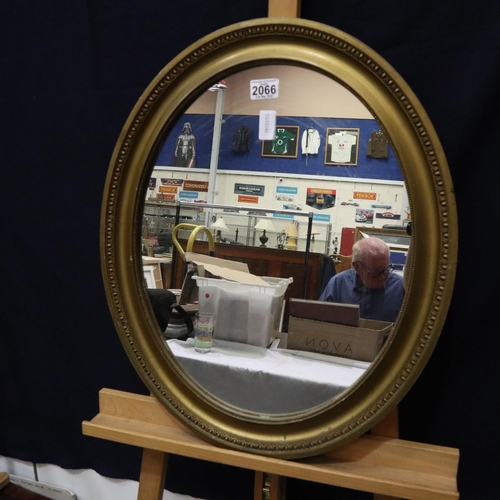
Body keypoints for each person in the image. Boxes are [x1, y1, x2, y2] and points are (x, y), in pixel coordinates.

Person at [319, 237, 404, 322]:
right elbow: (320, 321)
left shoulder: (400, 287)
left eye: (386, 269)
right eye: (375, 272)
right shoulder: (339, 284)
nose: (382, 276)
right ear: (357, 267)